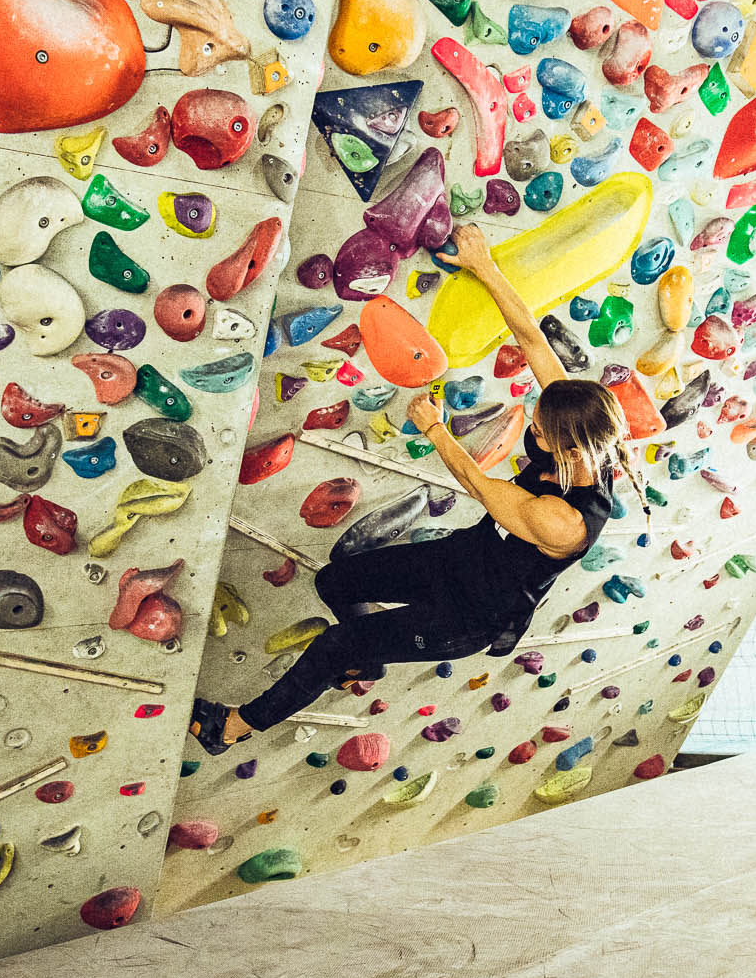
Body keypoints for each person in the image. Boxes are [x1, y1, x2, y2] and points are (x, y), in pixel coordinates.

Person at [189, 222, 649, 755]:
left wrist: (435, 428)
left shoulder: (562, 521)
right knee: (337, 583)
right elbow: (531, 338)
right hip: (462, 559)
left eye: (541, 431)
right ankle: (368, 655)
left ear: (570, 451)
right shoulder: (581, 422)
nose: (534, 429)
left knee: (336, 642)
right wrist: (484, 265)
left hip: (473, 613)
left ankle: (234, 727)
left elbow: (477, 483)